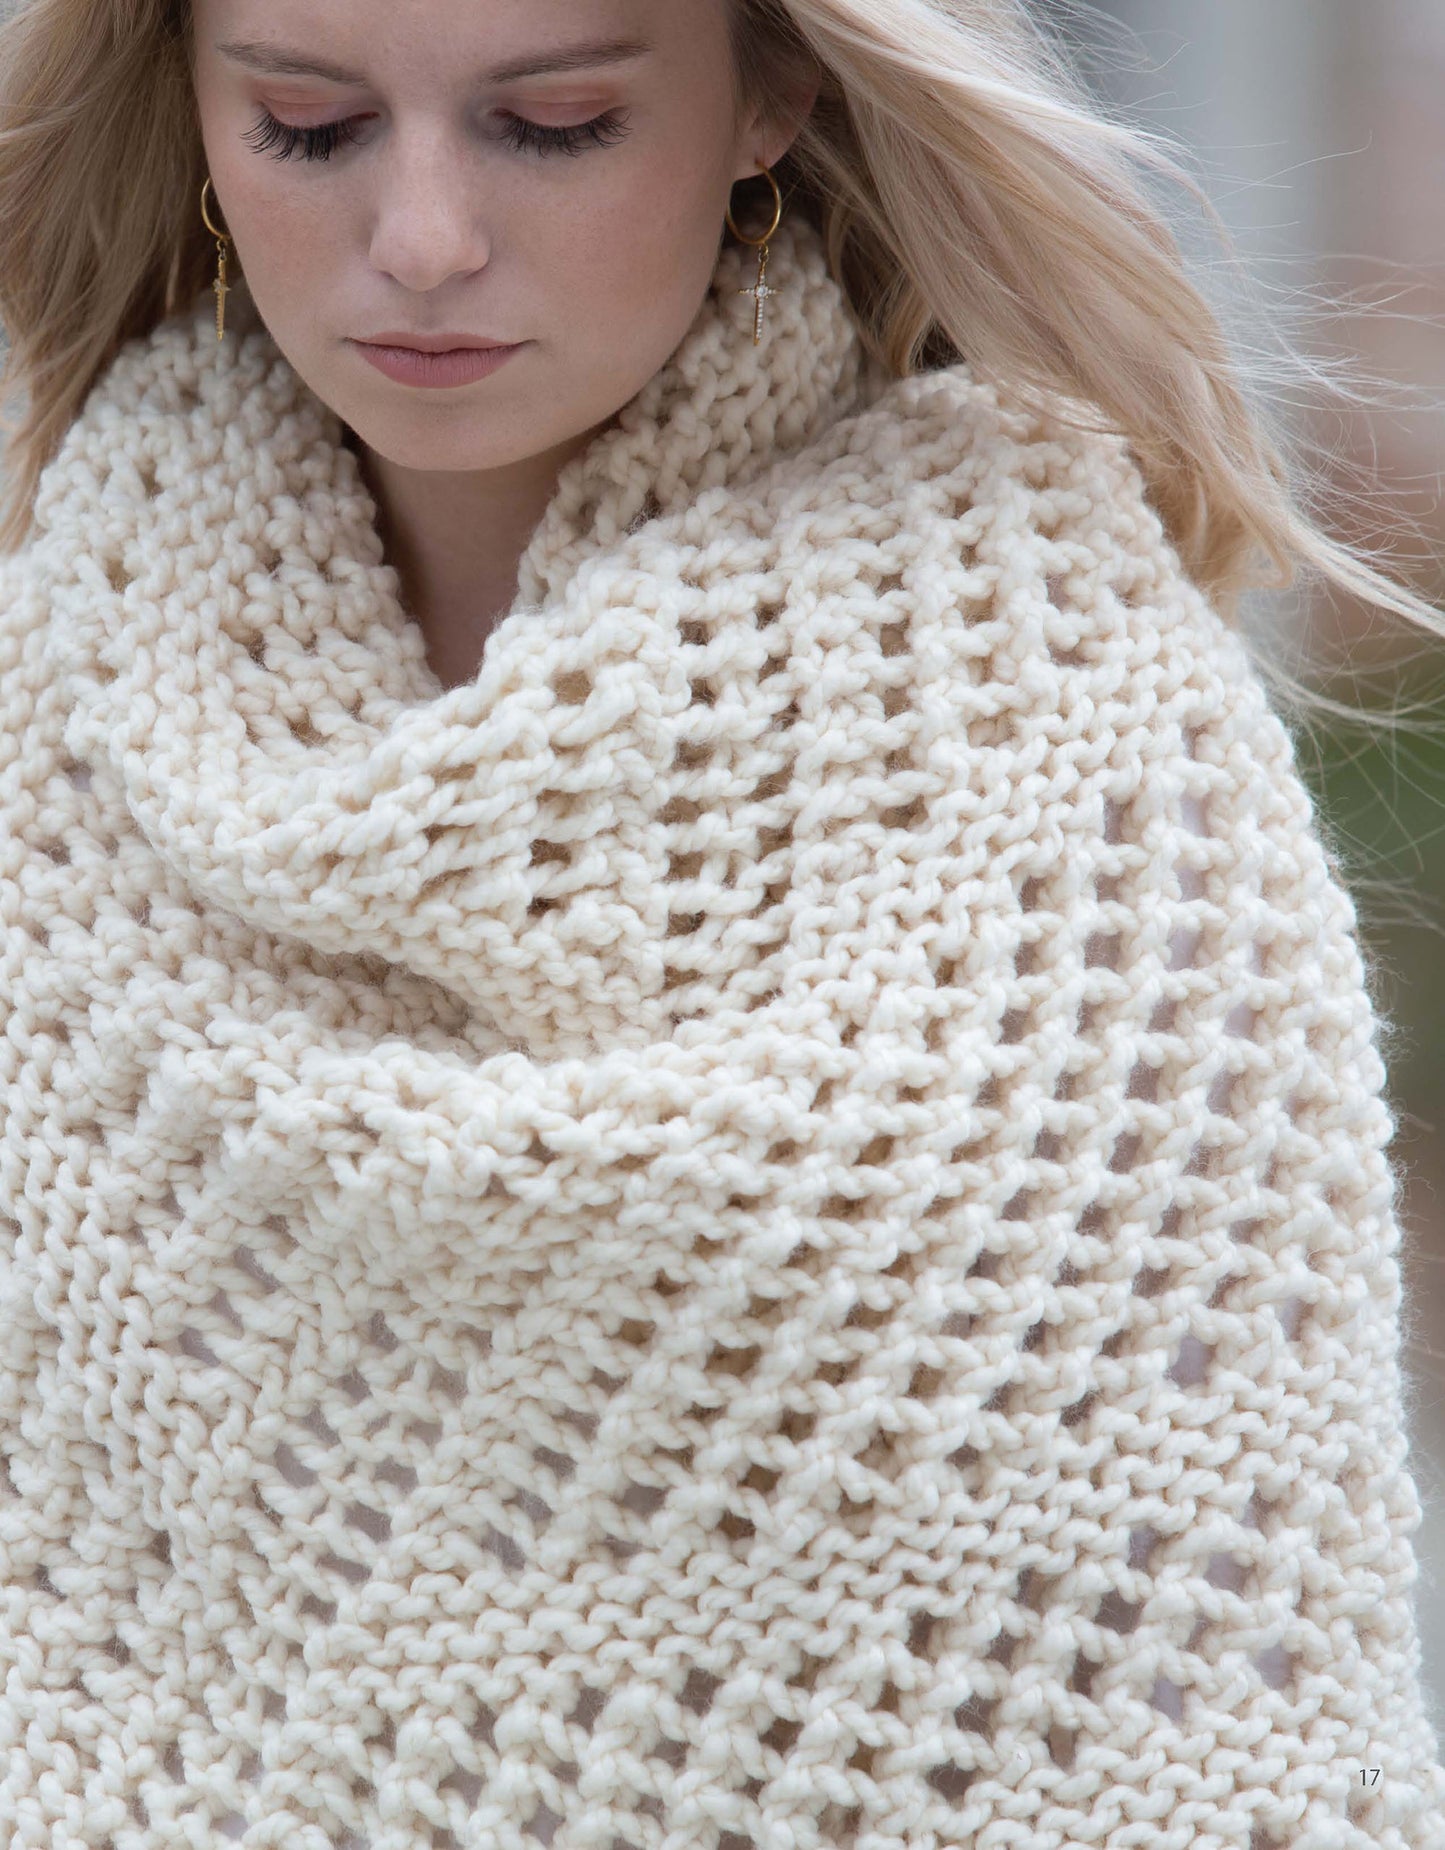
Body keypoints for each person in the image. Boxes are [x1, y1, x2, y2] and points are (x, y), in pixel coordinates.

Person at [0, 1, 1441, 1844]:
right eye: (307, 127)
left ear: (772, 90)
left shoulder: (1056, 740)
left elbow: (1180, 1686)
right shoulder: (62, 720)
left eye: (554, 123)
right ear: (188, 111)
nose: (423, 234)